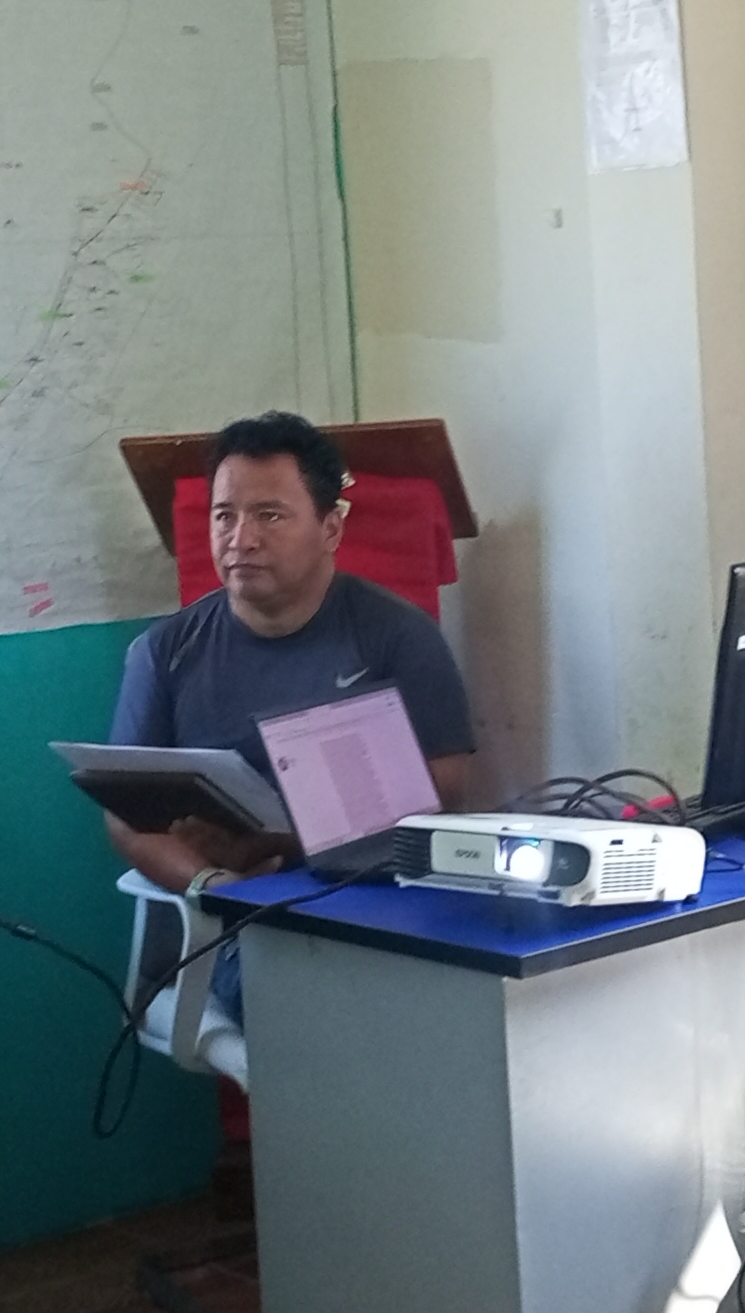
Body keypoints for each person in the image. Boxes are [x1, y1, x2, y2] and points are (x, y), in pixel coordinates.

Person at [100, 412, 478, 1082]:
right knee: (321, 1027)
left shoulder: (397, 636)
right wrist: (218, 884)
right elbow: (126, 817)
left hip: (373, 894)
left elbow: (445, 782)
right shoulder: (164, 653)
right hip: (239, 915)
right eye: (224, 516)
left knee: (450, 1015)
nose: (240, 538)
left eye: (269, 515)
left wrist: (290, 840)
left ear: (330, 527)